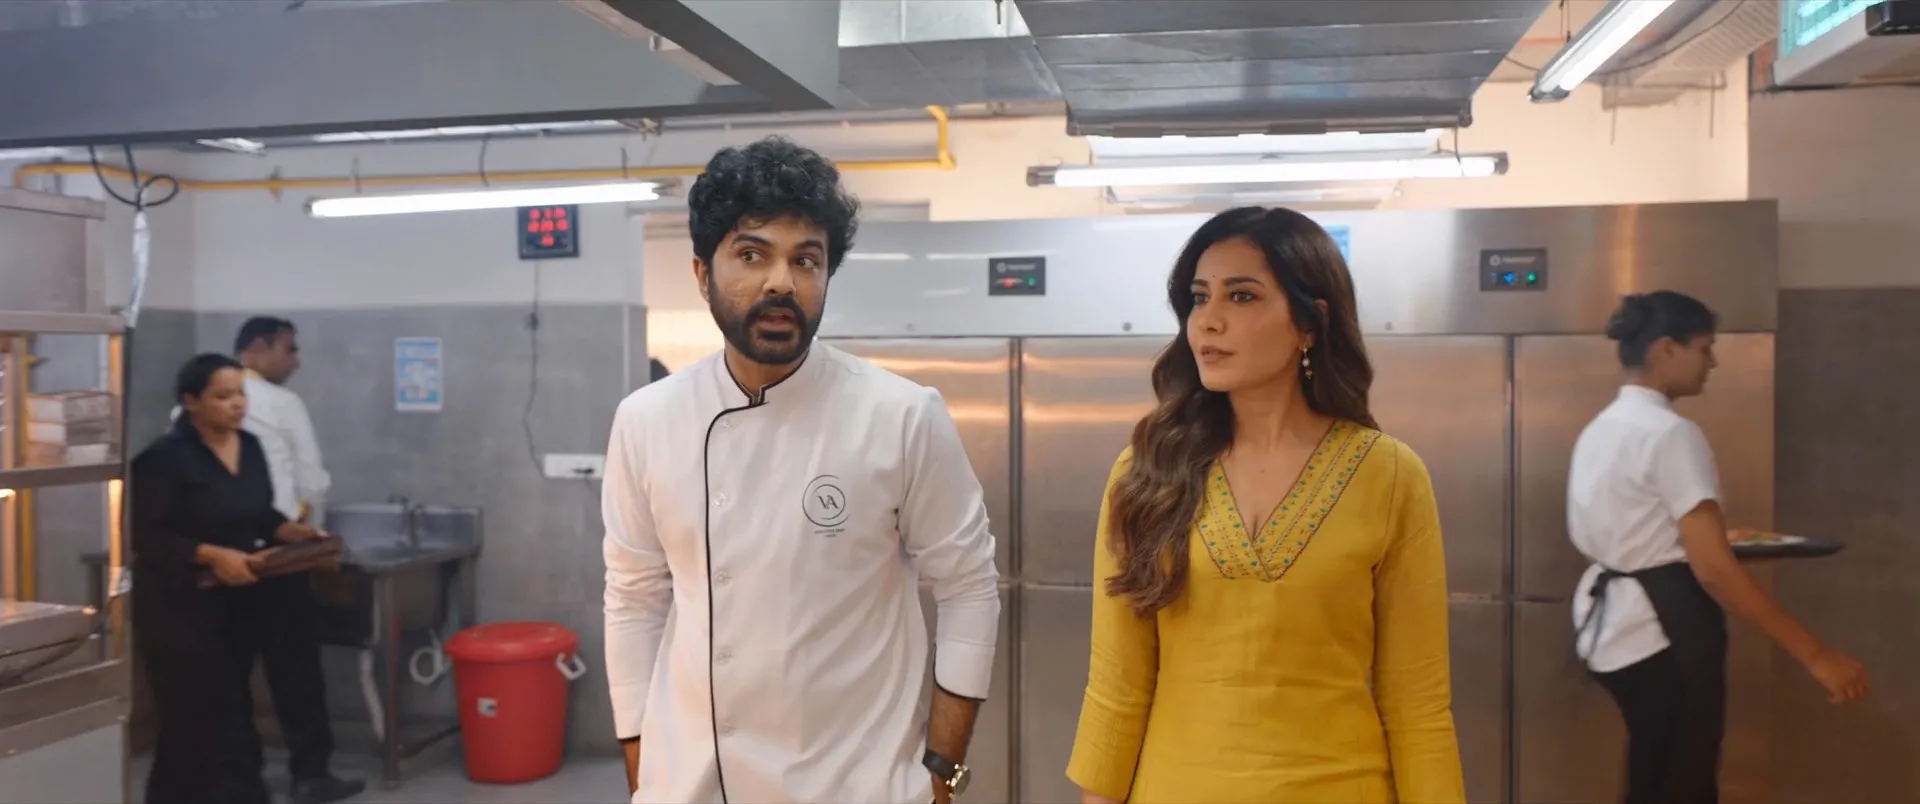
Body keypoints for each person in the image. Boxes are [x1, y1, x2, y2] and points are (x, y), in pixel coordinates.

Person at [600, 136, 1001, 804]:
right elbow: (634, 598)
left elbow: (969, 588)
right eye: (752, 254)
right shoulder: (646, 420)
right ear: (701, 273)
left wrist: (942, 770)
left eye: (805, 259)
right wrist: (643, 763)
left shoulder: (900, 416)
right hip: (690, 786)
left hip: (857, 786)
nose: (781, 281)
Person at [1067, 207, 1463, 804]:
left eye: (1242, 296)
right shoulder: (1148, 471)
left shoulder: (1389, 476)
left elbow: (1418, 704)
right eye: (1199, 298)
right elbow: (1116, 687)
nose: (1209, 320)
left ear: (1309, 322)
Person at [1569, 291, 1870, 804]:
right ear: (1667, 348)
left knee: (1654, 771)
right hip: (1662, 630)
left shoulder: (1602, 428)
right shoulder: (1671, 434)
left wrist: (1708, 539)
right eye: (1704, 348)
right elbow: (1712, 569)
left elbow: (1631, 529)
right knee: (1682, 783)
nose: (1712, 362)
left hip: (1612, 628)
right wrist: (1817, 655)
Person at [132, 354, 349, 804]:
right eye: (223, 396)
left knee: (233, 709)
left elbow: (258, 513)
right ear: (191, 402)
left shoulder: (249, 446)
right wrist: (210, 554)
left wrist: (290, 531)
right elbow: (146, 536)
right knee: (196, 717)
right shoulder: (163, 459)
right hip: (181, 606)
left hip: (235, 600)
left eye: (240, 394)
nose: (237, 405)